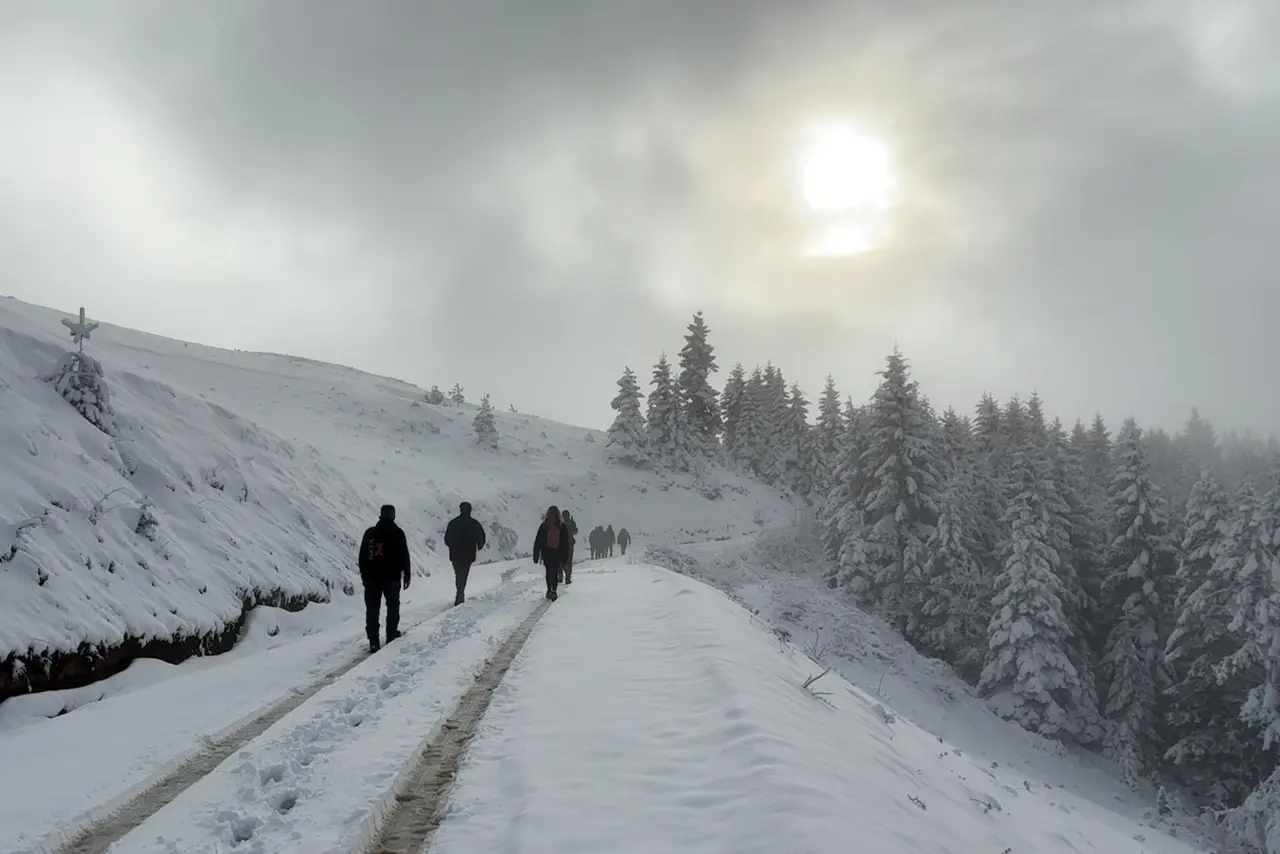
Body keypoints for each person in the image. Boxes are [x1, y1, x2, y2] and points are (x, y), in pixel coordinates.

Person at [358, 504, 411, 652]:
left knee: (372, 609)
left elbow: (363, 557)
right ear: (393, 516)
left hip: (372, 578)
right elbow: (404, 556)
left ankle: (373, 640)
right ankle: (391, 635)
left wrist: (365, 576)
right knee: (393, 607)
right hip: (392, 578)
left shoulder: (370, 533)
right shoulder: (398, 533)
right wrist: (407, 574)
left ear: (380, 516)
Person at [443, 501, 486, 606]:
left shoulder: (453, 523)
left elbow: (447, 539)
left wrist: (453, 547)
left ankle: (459, 593)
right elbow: (482, 537)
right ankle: (460, 593)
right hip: (468, 554)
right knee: (463, 574)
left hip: (455, 555)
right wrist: (478, 546)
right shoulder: (474, 524)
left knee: (458, 574)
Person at [532, 505, 570, 601]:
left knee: (549, 571)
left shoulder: (544, 526)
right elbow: (566, 544)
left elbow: (538, 541)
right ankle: (554, 590)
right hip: (557, 553)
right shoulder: (562, 526)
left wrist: (536, 555)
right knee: (555, 572)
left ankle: (549, 590)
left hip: (546, 553)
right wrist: (565, 558)